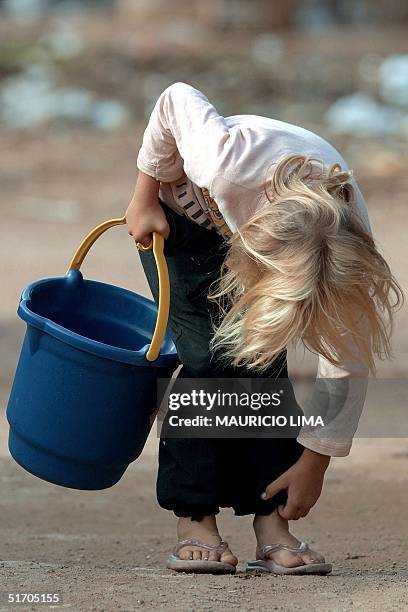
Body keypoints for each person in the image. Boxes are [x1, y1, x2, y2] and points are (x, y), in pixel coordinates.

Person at [125, 82, 403, 574]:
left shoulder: (344, 250)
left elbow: (346, 360)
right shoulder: (225, 161)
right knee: (211, 360)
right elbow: (174, 98)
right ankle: (195, 516)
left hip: (279, 239)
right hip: (178, 223)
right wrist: (144, 194)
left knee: (259, 365)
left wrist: (314, 462)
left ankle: (270, 520)